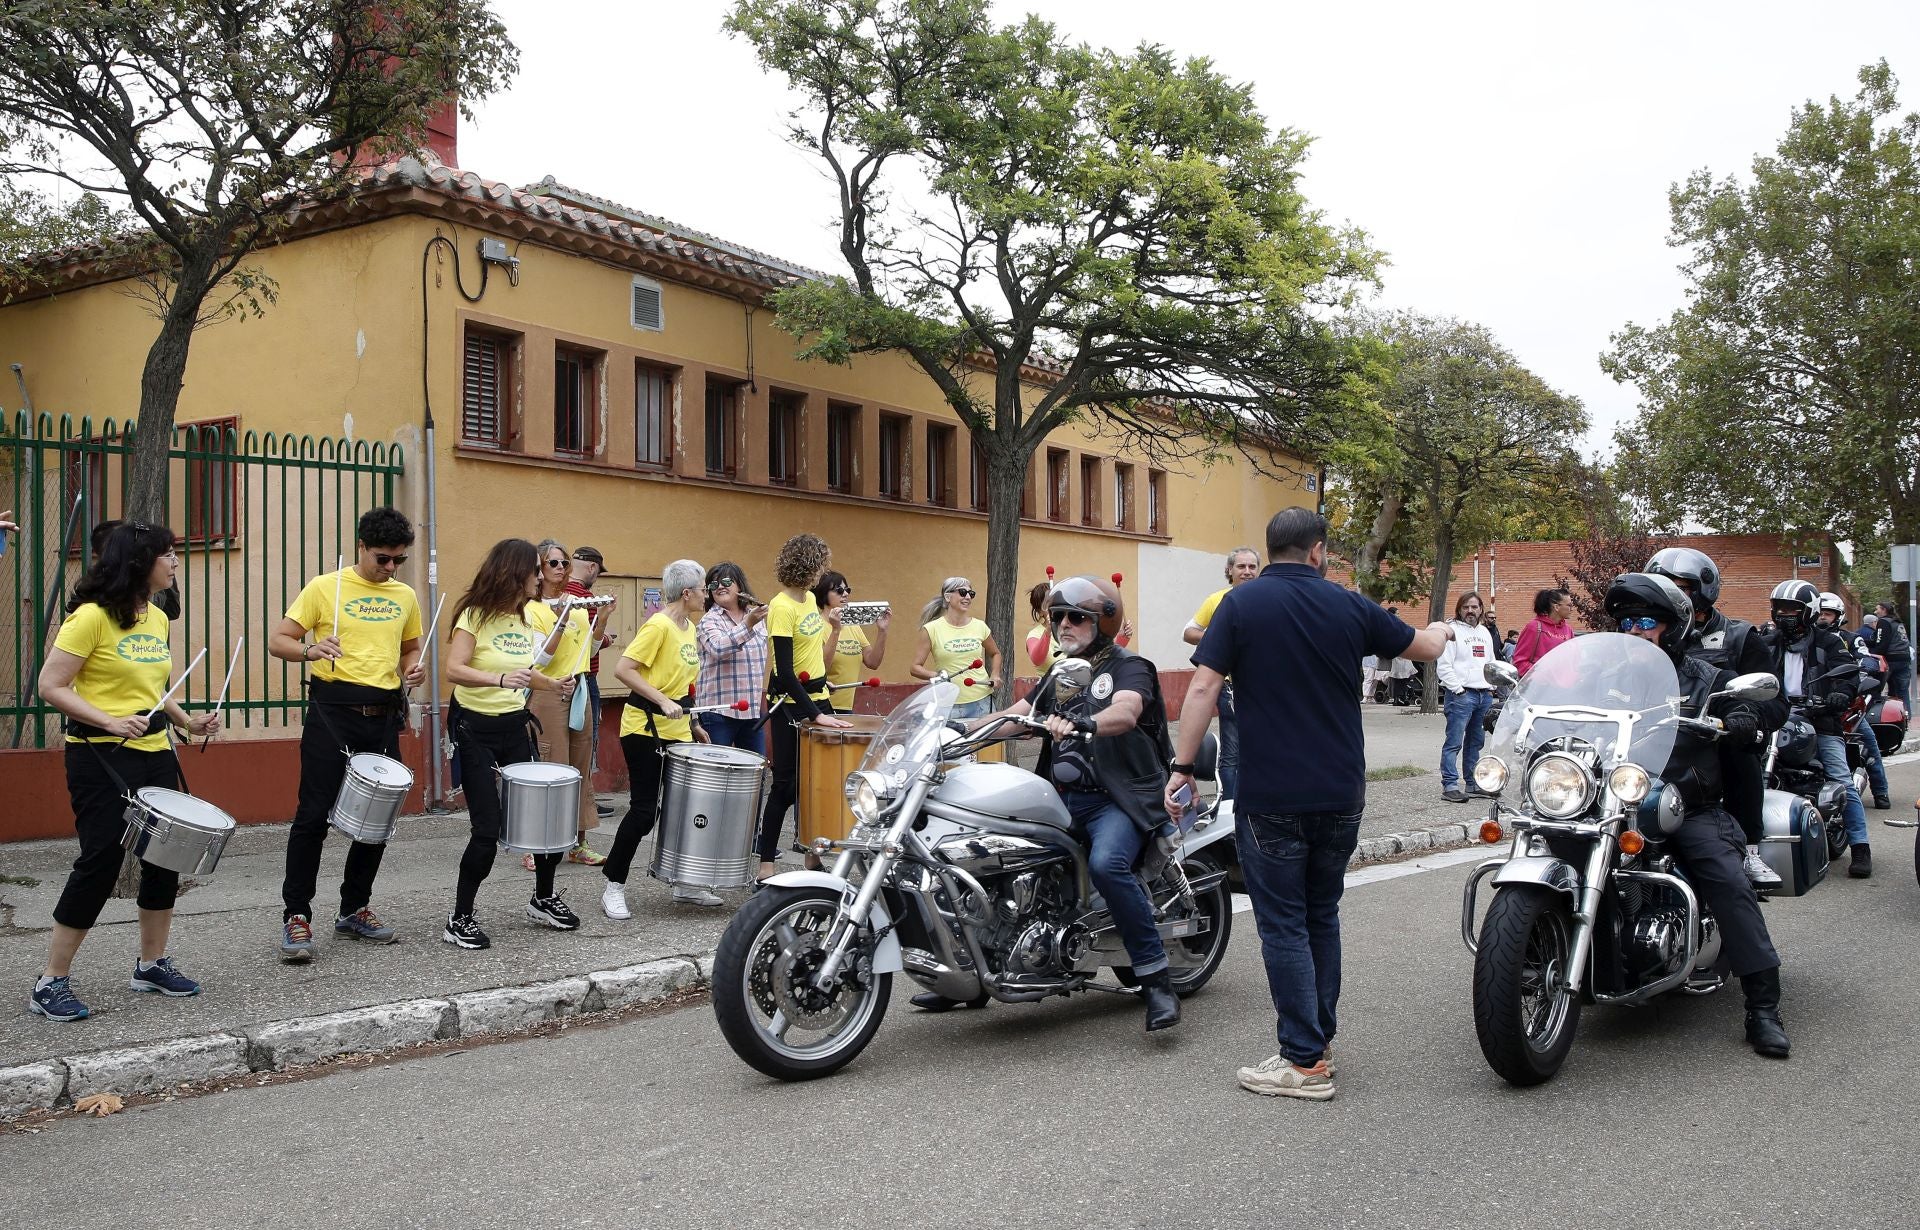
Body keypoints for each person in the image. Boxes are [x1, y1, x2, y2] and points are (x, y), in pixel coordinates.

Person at [1165, 508, 1451, 1100]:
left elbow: (1201, 687)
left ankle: (1304, 1061)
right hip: (1341, 790)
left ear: (1270, 552)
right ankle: (1317, 1041)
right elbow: (1424, 647)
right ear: (1317, 551)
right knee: (1321, 915)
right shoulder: (1348, 604)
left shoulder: (1238, 606)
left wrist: (1183, 768)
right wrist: (1444, 633)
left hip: (1272, 793)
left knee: (1285, 926)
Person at [956, 575, 1181, 1032]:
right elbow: (1017, 717)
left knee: (1107, 864)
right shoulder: (1059, 673)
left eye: (1077, 617)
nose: (1064, 625)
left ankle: (1157, 980)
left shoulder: (1130, 666)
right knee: (984, 856)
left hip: (1116, 800)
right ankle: (973, 978)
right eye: (1057, 617)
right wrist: (958, 731)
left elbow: (1127, 711)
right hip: (1059, 800)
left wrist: (1086, 723)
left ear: (1103, 621)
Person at [31, 522, 221, 1021]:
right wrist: (110, 720)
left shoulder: (155, 617)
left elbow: (153, 687)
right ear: (140, 563)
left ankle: (151, 964)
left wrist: (188, 720)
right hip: (99, 755)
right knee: (100, 860)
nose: (176, 562)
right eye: (168, 554)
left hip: (154, 749)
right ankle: (51, 980)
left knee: (164, 858)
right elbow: (51, 687)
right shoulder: (90, 617)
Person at [1604, 573, 1789, 1059]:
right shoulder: (1608, 680)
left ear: (1674, 628)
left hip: (1685, 804)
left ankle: (1763, 1008)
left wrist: (1741, 720)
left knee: (1727, 879)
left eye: (1646, 621)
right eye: (1626, 621)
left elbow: (1758, 711)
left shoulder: (1707, 679)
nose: (1634, 630)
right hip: (1609, 800)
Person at [268, 507, 425, 961]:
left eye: (398, 559)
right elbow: (279, 639)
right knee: (313, 815)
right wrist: (309, 649)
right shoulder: (324, 587)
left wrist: (411, 668)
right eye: (382, 558)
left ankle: (354, 907)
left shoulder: (405, 596)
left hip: (382, 714)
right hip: (332, 710)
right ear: (361, 546)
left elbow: (410, 648)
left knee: (376, 819)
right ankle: (296, 916)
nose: (390, 568)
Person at [442, 538, 581, 949]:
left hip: (514, 727)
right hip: (475, 731)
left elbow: (525, 669)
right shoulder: (475, 616)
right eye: (535, 570)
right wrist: (499, 680)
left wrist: (553, 683)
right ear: (513, 572)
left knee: (544, 820)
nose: (540, 577)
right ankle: (460, 917)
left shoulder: (523, 617)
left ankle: (542, 898)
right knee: (487, 829)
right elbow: (455, 669)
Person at [1646, 548, 1789, 887]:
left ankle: (1749, 850)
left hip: (1713, 740)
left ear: (1703, 591)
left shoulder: (1738, 636)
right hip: (1656, 741)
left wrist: (1747, 717)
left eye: (1680, 587)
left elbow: (1775, 701)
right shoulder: (1644, 634)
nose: (1671, 594)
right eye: (1661, 586)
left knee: (1738, 753)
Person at [603, 559, 720, 915]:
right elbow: (624, 669)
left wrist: (693, 722)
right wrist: (662, 700)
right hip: (643, 730)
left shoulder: (688, 627)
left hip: (677, 729)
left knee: (684, 810)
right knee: (644, 811)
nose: (707, 594)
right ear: (687, 593)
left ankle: (684, 882)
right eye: (703, 589)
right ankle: (614, 885)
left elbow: (682, 683)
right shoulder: (659, 626)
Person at [756, 534, 853, 880]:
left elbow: (810, 655)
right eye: (821, 564)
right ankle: (766, 863)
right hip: (790, 705)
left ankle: (812, 856)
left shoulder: (810, 600)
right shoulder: (781, 606)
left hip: (816, 697)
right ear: (811, 566)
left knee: (815, 783)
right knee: (784, 783)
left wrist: (823, 684)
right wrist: (815, 712)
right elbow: (783, 670)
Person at [1764, 580, 1870, 877]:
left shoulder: (1829, 641)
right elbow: (1747, 671)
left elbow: (1848, 675)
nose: (1784, 614)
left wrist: (1840, 694)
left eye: (1791, 609)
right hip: (1776, 717)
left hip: (1819, 718)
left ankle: (1861, 846)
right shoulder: (1767, 642)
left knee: (1840, 776)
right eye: (1780, 608)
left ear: (1807, 611)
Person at [521, 539, 605, 870]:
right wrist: (563, 616)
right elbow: (539, 659)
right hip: (547, 691)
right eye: (552, 563)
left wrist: (603, 617)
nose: (560, 568)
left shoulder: (577, 603)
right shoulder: (531, 609)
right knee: (550, 766)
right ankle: (533, 844)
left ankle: (578, 842)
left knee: (581, 766)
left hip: (579, 686)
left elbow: (592, 649)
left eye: (563, 562)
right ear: (539, 569)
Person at [1182, 548, 1261, 802]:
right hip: (1230, 688)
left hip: (1265, 686)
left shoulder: (1267, 597)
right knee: (1233, 749)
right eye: (1241, 567)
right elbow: (1189, 632)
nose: (1247, 572)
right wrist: (1221, 637)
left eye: (1252, 566)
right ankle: (1230, 805)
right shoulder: (1218, 600)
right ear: (1229, 570)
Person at [564, 546, 619, 820]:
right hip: (584, 679)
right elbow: (591, 646)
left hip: (562, 679)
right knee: (586, 743)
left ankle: (574, 804)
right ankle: (585, 805)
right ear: (593, 567)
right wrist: (608, 638)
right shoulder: (586, 598)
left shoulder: (560, 594)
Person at [696, 561, 769, 752]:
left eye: (726, 581)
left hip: (751, 709)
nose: (719, 586)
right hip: (718, 712)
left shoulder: (756, 616)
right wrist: (747, 625)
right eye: (713, 584)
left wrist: (750, 621)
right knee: (717, 774)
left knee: (754, 773)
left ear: (739, 585)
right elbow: (719, 649)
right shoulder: (708, 620)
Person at [1436, 591, 1498, 803]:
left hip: (1483, 695)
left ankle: (1472, 784)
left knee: (1476, 742)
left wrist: (1490, 687)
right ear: (1459, 609)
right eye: (1466, 607)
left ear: (1481, 609)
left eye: (1474, 607)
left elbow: (1490, 662)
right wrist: (1458, 689)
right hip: (1461, 694)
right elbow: (1444, 665)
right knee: (1454, 741)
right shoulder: (1451, 631)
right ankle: (1450, 785)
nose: (1470, 611)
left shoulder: (1485, 632)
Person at [911, 578, 1002, 720]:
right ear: (948, 597)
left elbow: (995, 653)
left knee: (987, 743)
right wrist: (936, 676)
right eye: (962, 592)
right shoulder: (932, 629)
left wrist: (995, 675)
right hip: (948, 704)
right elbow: (915, 668)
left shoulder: (980, 626)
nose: (967, 597)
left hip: (982, 702)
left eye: (970, 594)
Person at [816, 570, 888, 713]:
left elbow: (872, 662)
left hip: (846, 707)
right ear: (823, 594)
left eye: (847, 589)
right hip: (822, 705)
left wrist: (882, 631)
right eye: (839, 590)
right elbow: (821, 668)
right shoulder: (817, 625)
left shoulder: (852, 625)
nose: (845, 594)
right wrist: (835, 630)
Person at [1511, 587, 1574, 677]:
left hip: (1565, 689)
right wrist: (1542, 676)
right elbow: (1520, 662)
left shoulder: (1568, 629)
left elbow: (1574, 660)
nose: (1572, 609)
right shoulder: (1534, 627)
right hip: (1541, 688)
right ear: (1556, 607)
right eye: (1569, 605)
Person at [1871, 601, 1912, 711]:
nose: (1875, 612)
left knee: (1875, 689)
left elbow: (1881, 644)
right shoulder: (1898, 622)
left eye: (1877, 609)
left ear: (1884, 609)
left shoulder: (1883, 622)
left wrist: (1871, 654)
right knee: (1902, 691)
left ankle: (1877, 714)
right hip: (1904, 658)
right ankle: (1905, 717)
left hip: (1891, 659)